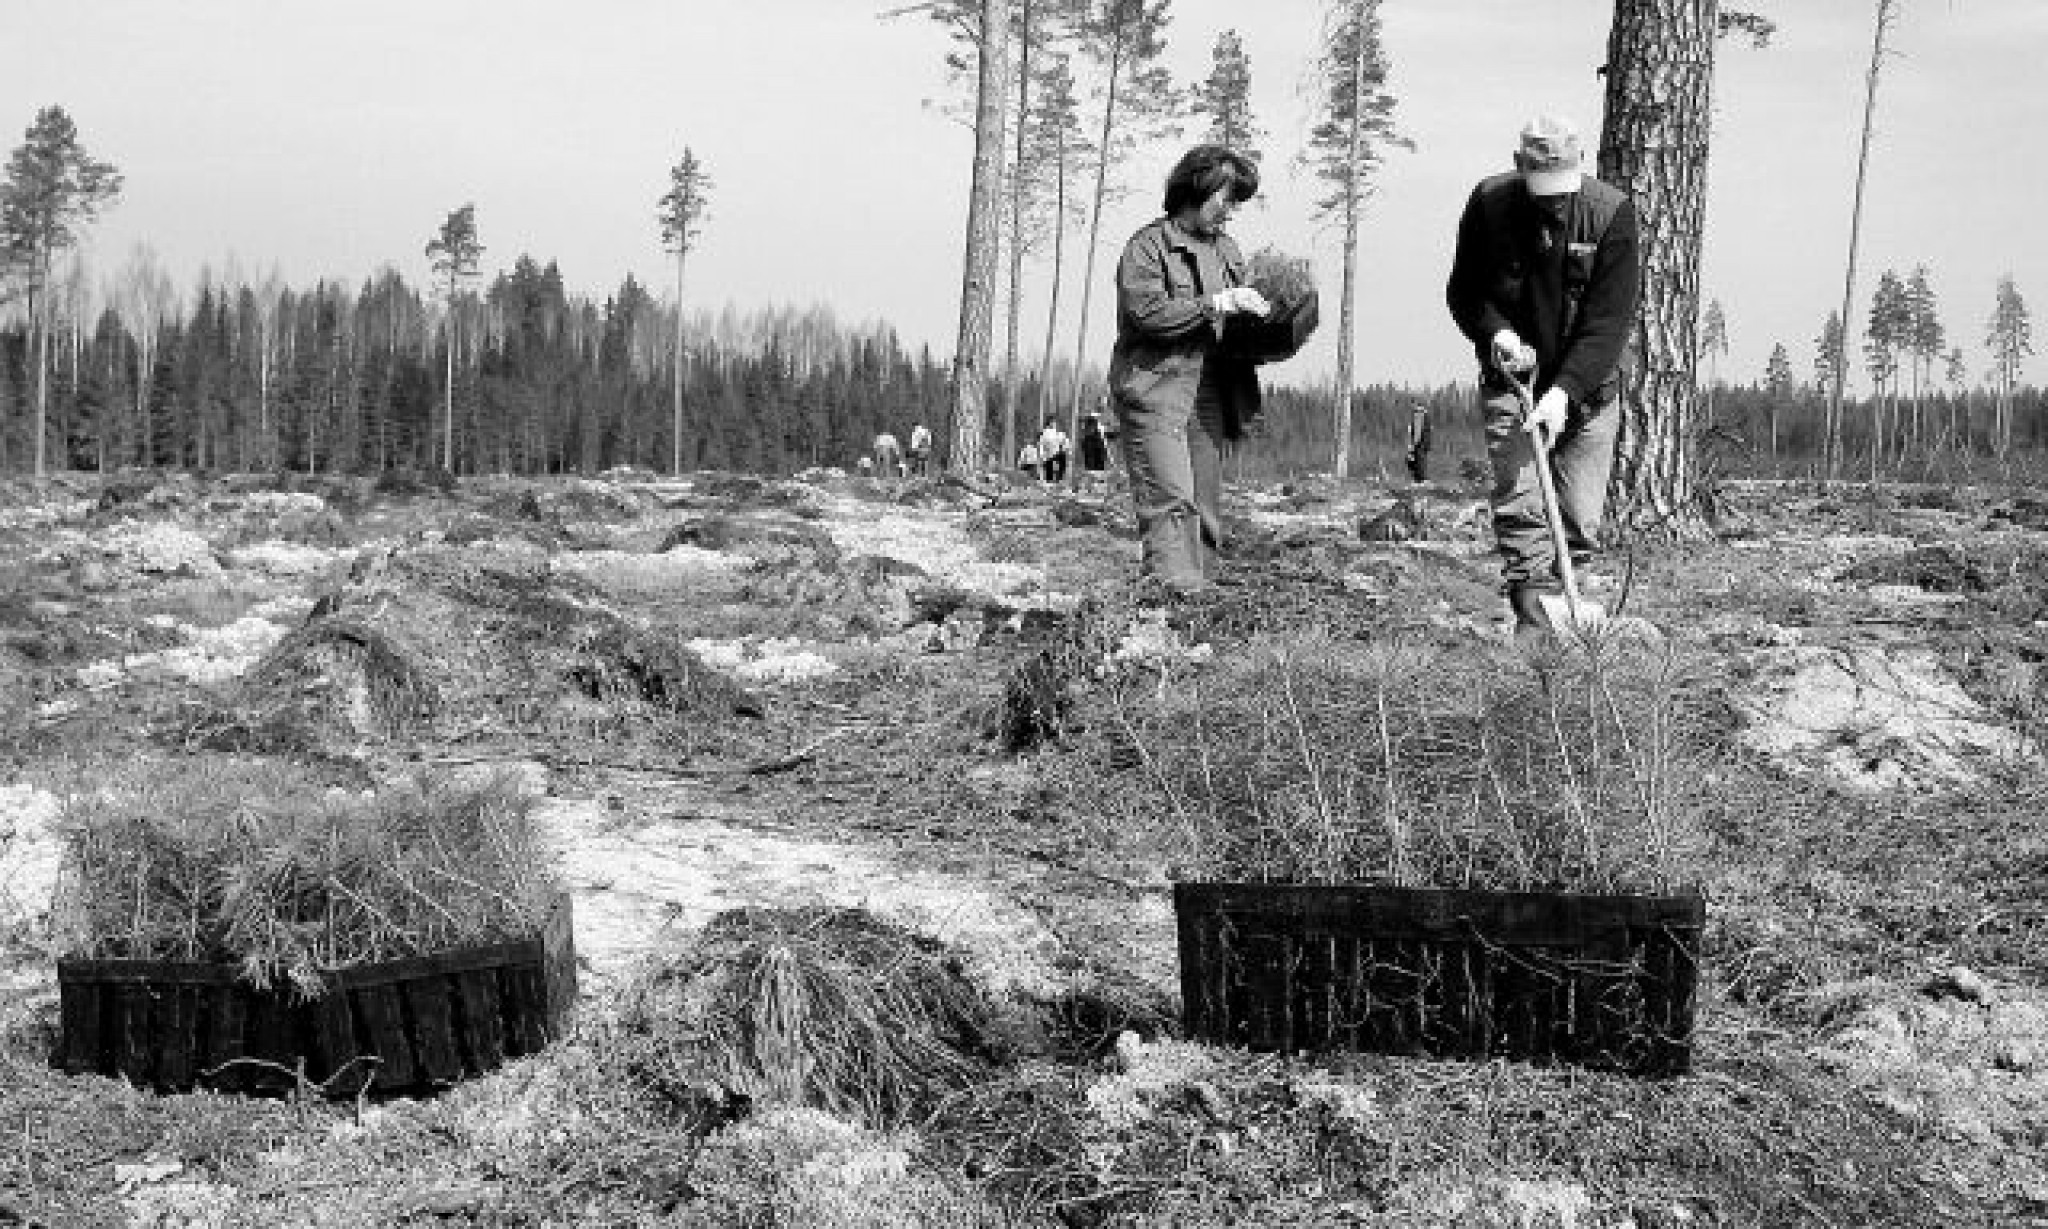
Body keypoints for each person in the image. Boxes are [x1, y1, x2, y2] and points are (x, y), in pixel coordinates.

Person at [1446, 114, 1640, 642]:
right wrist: (1498, 335)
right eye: (1544, 190)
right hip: (1513, 384)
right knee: (1524, 509)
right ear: (1520, 168)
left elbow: (1608, 324)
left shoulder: (1611, 216)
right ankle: (1536, 639)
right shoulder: (1489, 205)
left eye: (1565, 189)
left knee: (1577, 517)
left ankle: (1570, 621)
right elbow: (1466, 293)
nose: (1556, 201)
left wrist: (1562, 394)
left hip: (1588, 393)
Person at [1107, 144, 1269, 593]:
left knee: (1204, 509)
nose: (1232, 210)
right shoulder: (1147, 248)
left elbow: (1239, 329)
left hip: (1210, 395)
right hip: (1156, 391)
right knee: (1170, 504)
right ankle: (1169, 612)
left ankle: (1202, 606)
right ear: (1198, 186)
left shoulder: (1229, 252)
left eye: (1238, 201)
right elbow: (1149, 314)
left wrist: (1270, 324)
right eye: (1227, 197)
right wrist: (1214, 303)